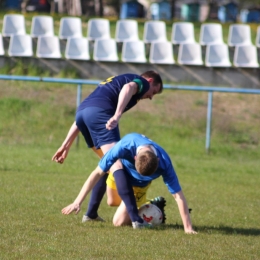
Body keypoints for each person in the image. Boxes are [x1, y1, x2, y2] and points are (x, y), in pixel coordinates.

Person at [52, 71, 163, 222]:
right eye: (153, 92)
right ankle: (136, 219)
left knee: (108, 163)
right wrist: (117, 115)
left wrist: (66, 145)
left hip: (82, 113)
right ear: (149, 80)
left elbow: (87, 110)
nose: (150, 96)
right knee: (117, 163)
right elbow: (128, 87)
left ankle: (91, 214)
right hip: (100, 114)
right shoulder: (141, 82)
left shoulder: (119, 79)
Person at [62, 133, 197, 234]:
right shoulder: (125, 146)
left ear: (157, 160)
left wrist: (188, 228)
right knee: (111, 202)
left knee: (118, 222)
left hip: (139, 187)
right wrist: (77, 202)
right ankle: (149, 203)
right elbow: (97, 173)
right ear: (134, 158)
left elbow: (178, 195)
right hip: (121, 174)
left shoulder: (164, 162)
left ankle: (155, 207)